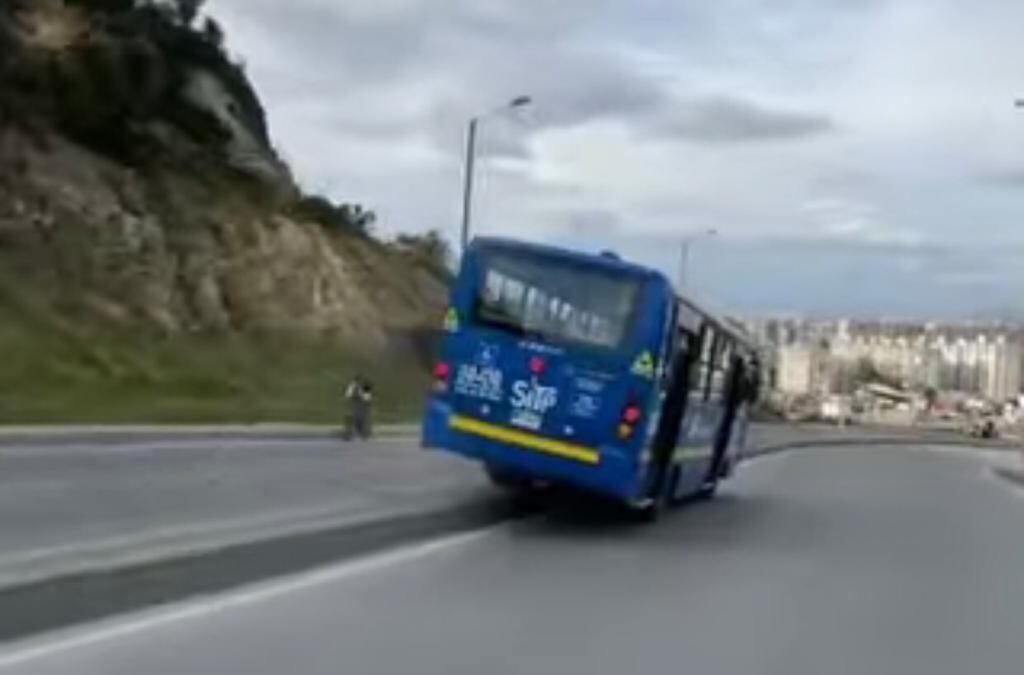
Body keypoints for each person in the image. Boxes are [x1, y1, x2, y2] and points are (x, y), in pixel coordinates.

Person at [344, 375, 374, 440]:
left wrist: (361, 393)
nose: (358, 383)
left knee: (363, 419)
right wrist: (353, 388)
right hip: (356, 406)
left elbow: (367, 398)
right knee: (351, 418)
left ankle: (365, 433)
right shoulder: (352, 386)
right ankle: (350, 434)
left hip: (363, 407)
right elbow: (347, 396)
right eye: (357, 382)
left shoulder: (366, 386)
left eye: (360, 382)